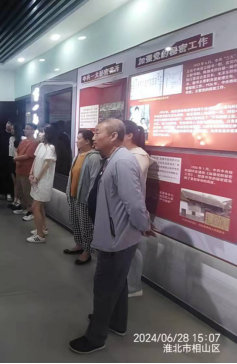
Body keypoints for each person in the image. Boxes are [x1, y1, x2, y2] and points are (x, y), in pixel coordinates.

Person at [69, 119, 151, 354]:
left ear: (114, 136)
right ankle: (116, 321)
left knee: (105, 287)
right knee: (118, 282)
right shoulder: (112, 158)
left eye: (97, 133)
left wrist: (144, 225)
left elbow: (134, 203)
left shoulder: (122, 162)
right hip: (114, 234)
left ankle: (95, 337)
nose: (93, 137)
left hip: (118, 237)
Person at [123, 120, 153, 297]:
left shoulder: (139, 155)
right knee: (127, 247)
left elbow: (130, 182)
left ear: (129, 135)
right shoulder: (126, 154)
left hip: (132, 207)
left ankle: (134, 286)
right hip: (124, 207)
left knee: (133, 248)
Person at [63, 129, 102, 265]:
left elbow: (94, 180)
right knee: (75, 222)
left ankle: (87, 251)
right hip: (74, 196)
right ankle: (79, 244)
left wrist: (90, 199)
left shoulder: (94, 157)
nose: (76, 141)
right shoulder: (79, 155)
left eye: (79, 138)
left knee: (86, 226)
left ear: (87, 141)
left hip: (84, 199)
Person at [26, 125, 57, 243]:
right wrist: (31, 173)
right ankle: (43, 228)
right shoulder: (40, 145)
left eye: (42, 132)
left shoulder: (51, 147)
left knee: (35, 207)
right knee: (40, 206)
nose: (39, 134)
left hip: (44, 180)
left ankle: (40, 235)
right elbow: (35, 160)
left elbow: (46, 165)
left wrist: (37, 178)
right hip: (36, 178)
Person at [12, 123, 39, 221]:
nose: (25, 130)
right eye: (25, 128)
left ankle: (31, 211)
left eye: (27, 129)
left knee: (27, 192)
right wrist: (17, 158)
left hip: (27, 170)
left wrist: (16, 159)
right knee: (19, 191)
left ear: (33, 130)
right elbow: (17, 151)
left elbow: (28, 155)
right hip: (19, 169)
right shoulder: (23, 141)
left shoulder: (35, 142)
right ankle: (24, 208)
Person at [0, 120, 14, 202]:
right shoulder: (0, 133)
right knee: (0, 175)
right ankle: (0, 193)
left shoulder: (13, 134)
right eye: (8, 123)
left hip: (10, 158)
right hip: (0, 157)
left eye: (10, 124)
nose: (8, 125)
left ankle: (9, 193)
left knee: (9, 176)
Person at [8, 123, 23, 208]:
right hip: (11, 159)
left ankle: (19, 201)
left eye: (13, 129)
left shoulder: (22, 139)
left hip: (18, 160)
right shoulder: (11, 138)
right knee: (15, 182)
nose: (11, 130)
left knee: (19, 182)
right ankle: (15, 199)